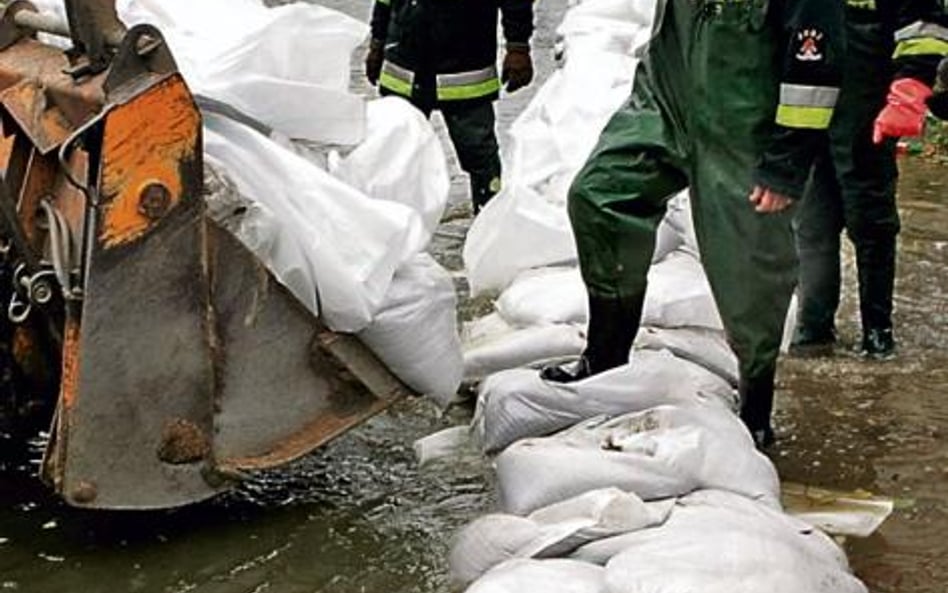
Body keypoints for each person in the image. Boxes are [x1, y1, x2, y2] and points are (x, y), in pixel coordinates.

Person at [540, 0, 846, 449]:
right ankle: (604, 358)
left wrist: (786, 165)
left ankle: (756, 407)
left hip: (742, 128)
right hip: (663, 106)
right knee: (599, 196)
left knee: (749, 270)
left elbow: (814, 73)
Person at [792, 0, 948, 361]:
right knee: (812, 221)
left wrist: (910, 88)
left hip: (870, 109)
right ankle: (813, 329)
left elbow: (925, 27)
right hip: (806, 108)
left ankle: (877, 330)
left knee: (870, 219)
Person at [364, 0, 535, 214]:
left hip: (465, 69)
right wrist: (377, 44)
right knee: (393, 153)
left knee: (480, 156)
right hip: (405, 66)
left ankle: (490, 219)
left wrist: (518, 47)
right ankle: (390, 223)